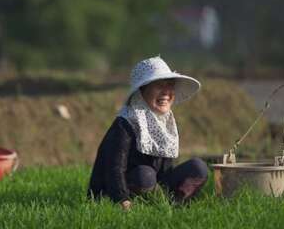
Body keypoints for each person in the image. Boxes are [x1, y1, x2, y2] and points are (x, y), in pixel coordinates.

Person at [88, 56, 208, 210]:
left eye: (169, 85)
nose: (166, 92)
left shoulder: (165, 123)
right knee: (144, 174)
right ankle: (147, 205)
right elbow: (114, 168)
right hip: (122, 188)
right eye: (159, 85)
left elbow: (165, 172)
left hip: (153, 185)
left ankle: (173, 206)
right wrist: (122, 200)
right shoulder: (125, 123)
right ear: (141, 91)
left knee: (198, 167)